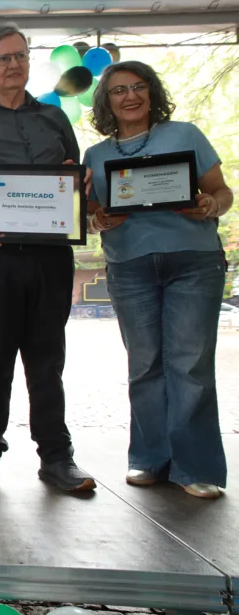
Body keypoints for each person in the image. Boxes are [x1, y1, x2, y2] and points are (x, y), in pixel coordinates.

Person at [0, 23, 96, 492]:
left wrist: (81, 186)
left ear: (30, 61)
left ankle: (56, 457)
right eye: (3, 58)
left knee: (47, 358)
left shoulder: (54, 119)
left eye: (20, 56)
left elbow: (74, 181)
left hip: (52, 256)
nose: (13, 64)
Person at [84, 61, 232, 499]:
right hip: (129, 266)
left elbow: (222, 194)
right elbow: (91, 215)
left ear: (152, 93)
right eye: (119, 91)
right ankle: (150, 459)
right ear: (106, 101)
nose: (130, 96)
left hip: (194, 261)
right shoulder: (96, 155)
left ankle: (196, 466)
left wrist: (206, 206)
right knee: (144, 366)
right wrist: (99, 219)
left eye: (138, 87)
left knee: (190, 365)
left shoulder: (185, 134)